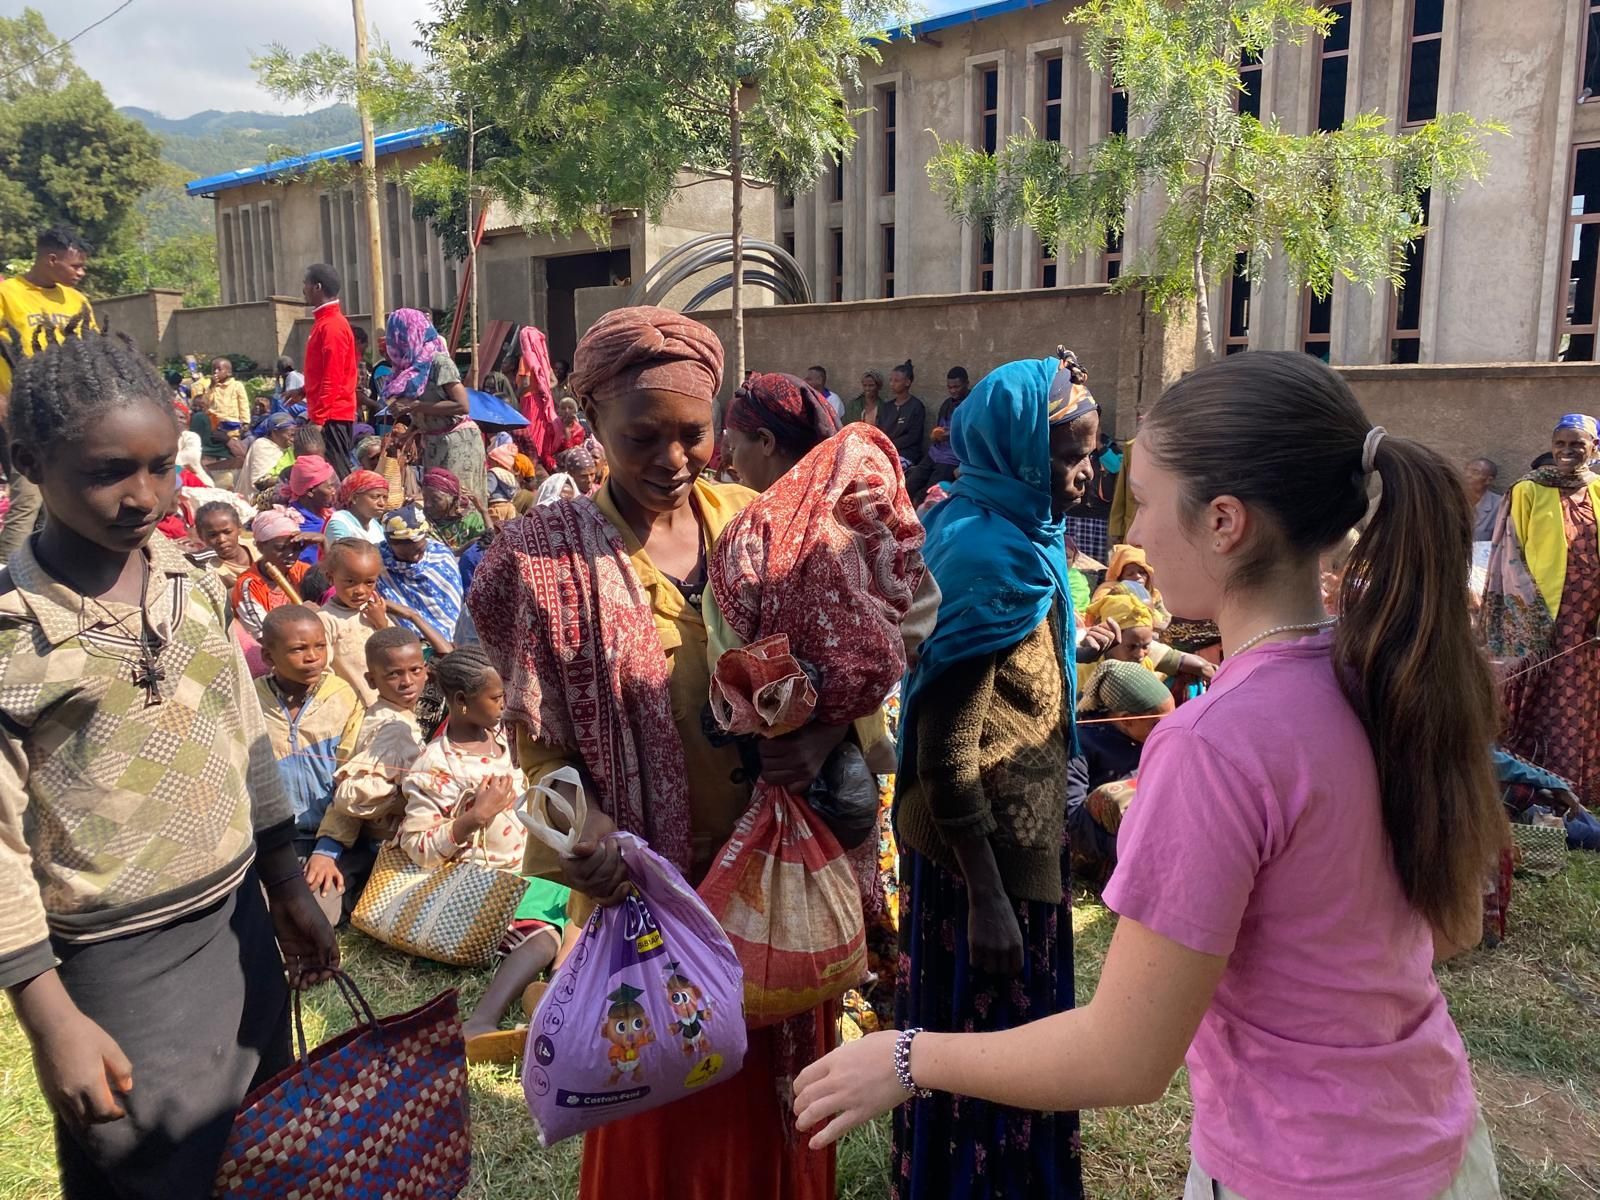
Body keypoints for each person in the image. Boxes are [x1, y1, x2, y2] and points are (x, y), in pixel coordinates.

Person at [795, 351, 1506, 1200]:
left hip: (1298, 1169)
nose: (1130, 531)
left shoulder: (1216, 743)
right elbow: (1451, 927)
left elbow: (1126, 1057)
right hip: (1435, 1143)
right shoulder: (1389, 675)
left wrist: (907, 1057)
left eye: (1146, 497)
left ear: (1225, 522)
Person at [468, 305, 847, 1200]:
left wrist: (823, 737)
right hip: (652, 900)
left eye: (693, 433)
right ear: (591, 419)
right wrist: (585, 835)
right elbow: (540, 753)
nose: (673, 459)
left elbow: (846, 670)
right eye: (643, 436)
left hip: (771, 887)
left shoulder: (758, 526)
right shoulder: (539, 558)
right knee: (665, 1109)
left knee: (778, 1101)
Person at [0, 323, 336, 1198]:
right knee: (149, 1173)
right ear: (30, 462)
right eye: (108, 471)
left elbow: (245, 740)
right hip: (115, 966)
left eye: (157, 466)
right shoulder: (11, 641)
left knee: (261, 1153)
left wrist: (287, 884)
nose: (144, 495)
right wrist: (49, 1019)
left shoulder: (192, 582)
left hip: (237, 929)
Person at [869, 350, 1099, 1199]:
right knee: (993, 1067)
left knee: (1014, 1062)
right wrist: (989, 898)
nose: (1082, 475)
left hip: (1008, 860)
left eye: (1090, 453)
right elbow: (943, 755)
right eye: (1067, 455)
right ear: (1012, 449)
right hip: (983, 875)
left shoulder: (1020, 539)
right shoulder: (988, 564)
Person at [397, 647, 569, 1060]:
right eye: (496, 698)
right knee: (544, 937)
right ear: (460, 702)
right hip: (482, 888)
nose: (506, 704)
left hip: (525, 874)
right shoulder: (436, 765)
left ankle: (554, 994)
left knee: (583, 902)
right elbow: (417, 846)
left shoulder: (506, 740)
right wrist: (473, 818)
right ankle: (480, 1023)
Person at [1483, 413, 1600, 807]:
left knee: (1581, 691)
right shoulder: (1528, 490)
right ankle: (1532, 778)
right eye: (1560, 444)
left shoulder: (1599, 489)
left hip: (1589, 618)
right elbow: (1509, 553)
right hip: (1537, 613)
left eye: (1577, 444)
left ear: (1594, 449)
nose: (1567, 452)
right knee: (1535, 687)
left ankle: (1578, 781)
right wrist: (1529, 615)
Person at [255, 605, 367, 927]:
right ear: (268, 656)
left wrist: (328, 849)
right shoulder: (249, 701)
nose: (313, 657)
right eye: (298, 649)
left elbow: (353, 781)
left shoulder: (343, 698)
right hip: (272, 843)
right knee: (263, 916)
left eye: (320, 646)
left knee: (316, 916)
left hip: (329, 838)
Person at [0, 228, 98, 564]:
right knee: (27, 495)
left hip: (71, 411)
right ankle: (6, 580)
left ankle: (49, 565)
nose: (81, 273)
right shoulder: (7, 294)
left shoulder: (78, 302)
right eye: (76, 266)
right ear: (51, 259)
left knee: (66, 493)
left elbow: (92, 353)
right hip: (21, 411)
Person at [1068, 659, 1175, 887]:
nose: (1167, 730)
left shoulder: (1149, 737)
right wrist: (1126, 847)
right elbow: (1071, 818)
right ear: (1126, 720)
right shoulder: (1079, 744)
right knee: (1116, 794)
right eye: (1157, 724)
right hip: (1103, 847)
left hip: (1154, 835)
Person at [381, 308, 487, 507]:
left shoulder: (438, 362)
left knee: (455, 502)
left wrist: (416, 405)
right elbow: (421, 412)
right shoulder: (406, 368)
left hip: (456, 443)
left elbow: (462, 405)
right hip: (432, 442)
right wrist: (409, 433)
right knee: (436, 501)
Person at [375, 503, 459, 656]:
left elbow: (451, 608)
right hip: (402, 648)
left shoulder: (441, 558)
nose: (414, 558)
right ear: (390, 544)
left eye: (419, 550)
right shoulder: (377, 563)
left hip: (448, 645)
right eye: (404, 555)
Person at [317, 538, 394, 706]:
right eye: (350, 581)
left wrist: (382, 625)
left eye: (369, 582)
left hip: (386, 704)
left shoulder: (375, 610)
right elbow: (324, 673)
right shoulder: (326, 620)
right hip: (353, 708)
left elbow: (396, 652)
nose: (360, 591)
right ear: (331, 578)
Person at [301, 263, 358, 477]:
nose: (303, 289)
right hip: (327, 414)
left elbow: (332, 378)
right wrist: (304, 391)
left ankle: (350, 510)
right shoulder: (324, 322)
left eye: (305, 284)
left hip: (332, 415)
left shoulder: (332, 325)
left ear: (317, 287)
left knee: (337, 475)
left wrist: (318, 421)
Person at [232, 506, 313, 640]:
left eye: (296, 548)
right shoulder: (248, 586)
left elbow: (333, 598)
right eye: (281, 548)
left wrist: (324, 545)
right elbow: (264, 637)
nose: (291, 554)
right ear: (260, 546)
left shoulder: (303, 570)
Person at [902, 366, 968, 505]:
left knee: (930, 494)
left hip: (952, 459)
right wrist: (937, 435)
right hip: (935, 453)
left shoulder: (971, 405)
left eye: (957, 387)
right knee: (909, 485)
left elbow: (971, 433)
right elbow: (940, 428)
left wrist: (949, 434)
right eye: (950, 387)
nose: (953, 391)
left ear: (966, 384)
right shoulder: (947, 404)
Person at [1094, 543, 1173, 630]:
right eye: (1130, 574)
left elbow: (1167, 618)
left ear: (1148, 574)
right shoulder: (1109, 588)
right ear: (1120, 577)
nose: (1137, 576)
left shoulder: (1154, 593)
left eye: (1142, 572)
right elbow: (1096, 611)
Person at [875, 360, 929, 468]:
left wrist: (889, 445)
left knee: (888, 469)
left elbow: (913, 437)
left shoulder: (916, 407)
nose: (892, 384)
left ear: (907, 382)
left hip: (906, 454)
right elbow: (879, 431)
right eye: (891, 380)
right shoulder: (887, 407)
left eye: (896, 381)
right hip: (885, 451)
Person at [194, 499, 258, 590]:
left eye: (227, 532)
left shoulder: (259, 547)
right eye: (213, 535)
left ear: (239, 527)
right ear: (201, 536)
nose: (221, 539)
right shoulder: (210, 571)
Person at [285, 454, 337, 565]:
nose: (333, 491)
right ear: (310, 491)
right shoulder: (296, 525)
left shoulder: (328, 513)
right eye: (329, 487)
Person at [421, 467, 488, 553]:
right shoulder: (421, 521)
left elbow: (489, 547)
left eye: (435, 499)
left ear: (453, 499)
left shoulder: (471, 521)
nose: (427, 504)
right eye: (424, 498)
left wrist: (483, 511)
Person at [239, 412, 296, 499]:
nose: (292, 439)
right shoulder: (262, 445)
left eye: (294, 435)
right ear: (274, 432)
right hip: (256, 500)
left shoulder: (288, 450)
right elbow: (260, 481)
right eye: (290, 435)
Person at [324, 468, 389, 545]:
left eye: (385, 498)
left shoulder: (375, 525)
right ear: (355, 498)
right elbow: (343, 554)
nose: (382, 503)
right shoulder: (340, 521)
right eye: (375, 497)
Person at [201, 357, 251, 428]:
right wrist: (212, 386)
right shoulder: (210, 386)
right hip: (214, 421)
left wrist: (245, 421)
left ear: (228, 372)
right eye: (214, 370)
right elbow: (205, 402)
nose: (216, 371)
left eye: (219, 369)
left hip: (232, 421)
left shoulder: (237, 385)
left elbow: (243, 404)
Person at [1465, 457, 1501, 543]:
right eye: (1466, 470)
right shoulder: (1452, 500)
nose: (1467, 475)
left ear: (1488, 480)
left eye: (1475, 472)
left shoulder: (1499, 505)